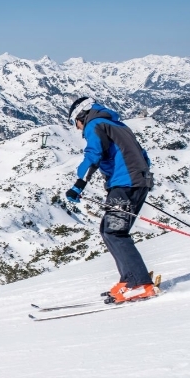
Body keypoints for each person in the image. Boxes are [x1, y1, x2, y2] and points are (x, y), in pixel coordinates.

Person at [65, 97, 158, 303]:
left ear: (82, 114)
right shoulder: (118, 125)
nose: (78, 128)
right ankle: (129, 279)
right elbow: (143, 155)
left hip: (124, 185)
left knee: (114, 232)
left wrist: (78, 185)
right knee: (109, 230)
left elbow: (93, 155)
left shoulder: (95, 125)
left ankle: (139, 283)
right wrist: (139, 182)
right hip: (135, 183)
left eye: (75, 122)